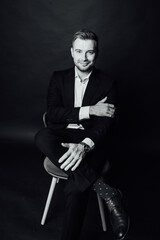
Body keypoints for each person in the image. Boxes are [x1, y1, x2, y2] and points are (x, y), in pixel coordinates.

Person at [35, 29, 129, 240]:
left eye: (90, 52)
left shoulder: (107, 83)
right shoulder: (58, 78)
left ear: (97, 53)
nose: (84, 58)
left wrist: (85, 145)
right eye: (79, 51)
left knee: (77, 188)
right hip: (61, 139)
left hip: (91, 141)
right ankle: (108, 193)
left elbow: (106, 125)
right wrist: (91, 110)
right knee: (41, 136)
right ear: (71, 52)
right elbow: (53, 114)